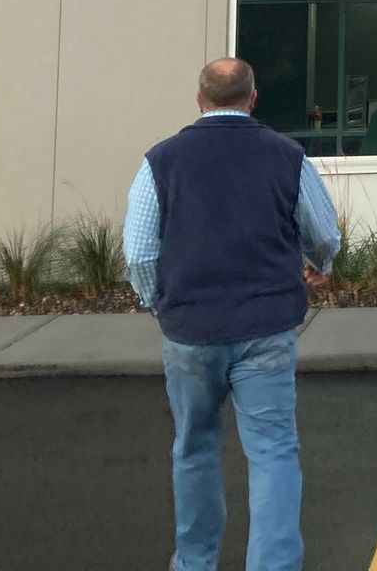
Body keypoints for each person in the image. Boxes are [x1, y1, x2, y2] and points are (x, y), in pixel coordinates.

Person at [123, 57, 342, 571]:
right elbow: (324, 232)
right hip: (266, 330)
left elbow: (137, 253)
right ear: (252, 97)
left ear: (199, 100)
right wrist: (321, 264)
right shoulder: (288, 156)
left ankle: (195, 563)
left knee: (193, 448)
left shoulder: (160, 160)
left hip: (189, 332)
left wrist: (161, 304)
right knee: (273, 453)